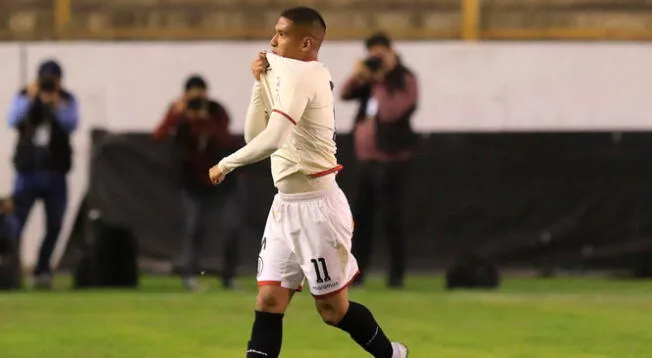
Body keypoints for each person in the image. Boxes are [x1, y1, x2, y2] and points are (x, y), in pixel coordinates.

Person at [209, 7, 408, 358]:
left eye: (281, 34)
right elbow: (255, 133)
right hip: (285, 205)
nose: (273, 40)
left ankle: (391, 354)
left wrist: (227, 164)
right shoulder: (285, 75)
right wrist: (260, 84)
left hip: (318, 209)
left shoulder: (307, 77)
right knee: (269, 299)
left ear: (305, 42)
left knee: (333, 311)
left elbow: (272, 139)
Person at [340, 33, 418, 289]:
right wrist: (360, 74)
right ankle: (358, 273)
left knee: (391, 219)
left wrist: (384, 77)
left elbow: (392, 111)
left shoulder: (403, 78)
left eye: (381, 53)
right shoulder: (368, 81)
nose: (377, 59)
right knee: (360, 219)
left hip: (392, 160)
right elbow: (344, 93)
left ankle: (396, 275)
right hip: (366, 161)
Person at [153, 75, 246, 291]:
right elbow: (159, 135)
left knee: (232, 225)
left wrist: (203, 119)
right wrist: (177, 114)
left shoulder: (215, 111)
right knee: (193, 227)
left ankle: (229, 276)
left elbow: (225, 138)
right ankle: (190, 275)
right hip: (193, 180)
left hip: (223, 178)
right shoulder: (179, 115)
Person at [7, 59, 79, 289]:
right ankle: (10, 269)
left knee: (55, 224)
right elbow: (12, 119)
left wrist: (56, 104)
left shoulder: (67, 99)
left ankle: (43, 268)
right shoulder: (25, 96)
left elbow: (72, 124)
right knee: (16, 223)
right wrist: (30, 98)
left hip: (56, 172)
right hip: (28, 172)